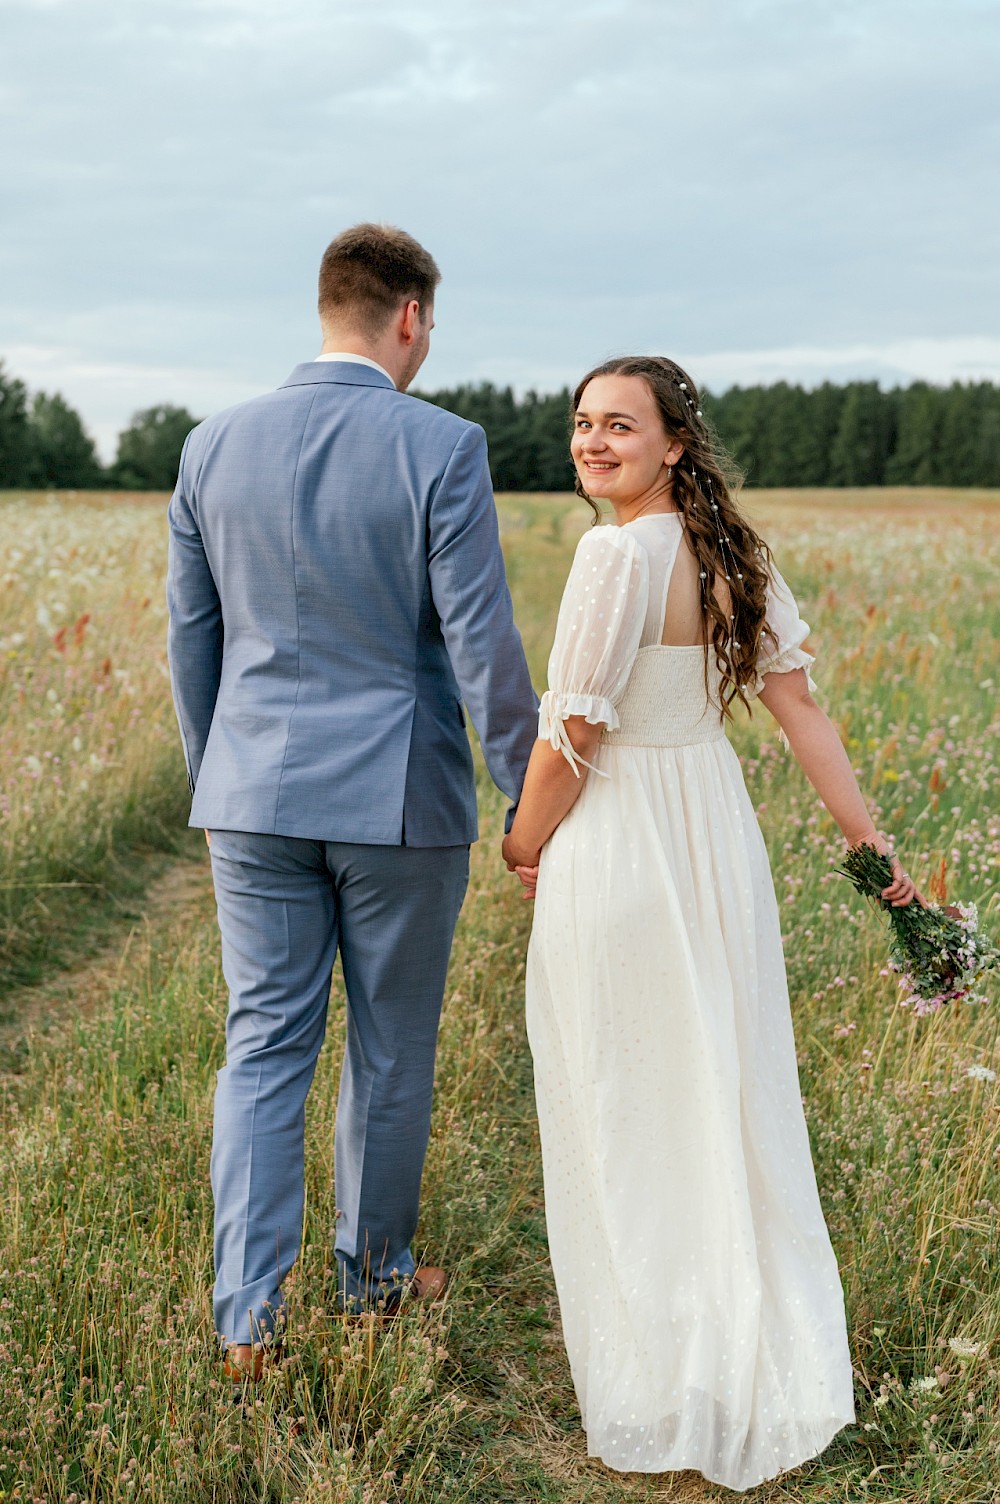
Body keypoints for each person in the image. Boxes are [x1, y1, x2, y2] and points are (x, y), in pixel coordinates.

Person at [502, 355, 922, 1491]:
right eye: (582, 423)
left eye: (620, 427)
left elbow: (571, 736)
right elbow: (801, 712)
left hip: (625, 837)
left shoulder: (611, 554)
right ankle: (736, 1356)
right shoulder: (725, 551)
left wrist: (523, 841)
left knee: (626, 1102)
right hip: (711, 834)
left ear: (673, 444)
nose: (594, 442)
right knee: (720, 1093)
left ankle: (662, 1381)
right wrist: (870, 845)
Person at [166, 223, 538, 1381]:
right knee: (389, 1051)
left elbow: (195, 637)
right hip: (400, 802)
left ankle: (246, 1320)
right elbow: (483, 643)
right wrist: (530, 800)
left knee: (264, 1044)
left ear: (329, 304)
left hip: (253, 795)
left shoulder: (211, 444)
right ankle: (373, 1280)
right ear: (410, 317)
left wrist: (218, 776)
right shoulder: (441, 444)